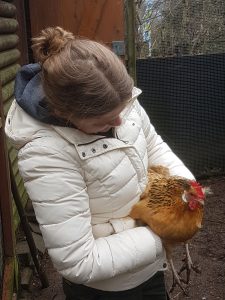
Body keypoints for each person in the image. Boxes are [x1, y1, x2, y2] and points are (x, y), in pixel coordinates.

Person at [5, 27, 194, 300]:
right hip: (104, 288)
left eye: (123, 109)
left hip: (150, 268)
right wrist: (163, 233)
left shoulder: (118, 99)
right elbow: (77, 260)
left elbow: (152, 143)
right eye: (105, 121)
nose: (119, 121)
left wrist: (186, 187)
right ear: (65, 115)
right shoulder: (45, 153)